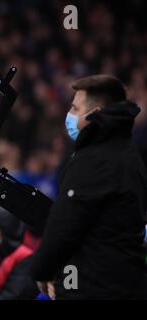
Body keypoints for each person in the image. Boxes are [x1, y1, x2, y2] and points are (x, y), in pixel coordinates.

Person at [31, 75, 147, 299]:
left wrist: (42, 270)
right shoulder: (129, 154)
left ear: (94, 114)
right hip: (126, 280)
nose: (70, 115)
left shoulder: (93, 160)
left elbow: (64, 227)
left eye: (75, 108)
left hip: (96, 286)